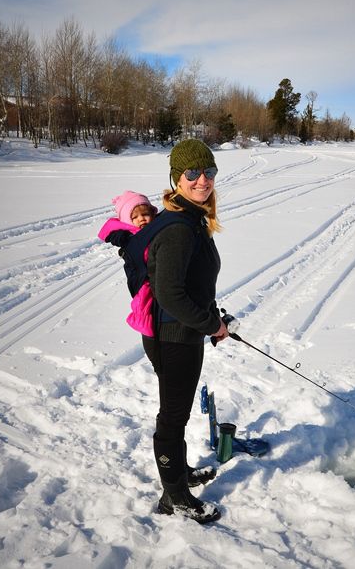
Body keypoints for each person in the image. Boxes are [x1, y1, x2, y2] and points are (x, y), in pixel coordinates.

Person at [142, 139, 228, 524]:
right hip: (174, 335)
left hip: (184, 332)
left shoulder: (192, 217)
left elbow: (190, 284)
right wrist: (211, 323)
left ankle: (178, 475)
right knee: (173, 416)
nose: (202, 180)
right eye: (192, 173)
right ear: (176, 178)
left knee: (177, 410)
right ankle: (173, 496)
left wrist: (212, 314)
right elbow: (170, 294)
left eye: (208, 172)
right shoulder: (178, 228)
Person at [98, 191, 158, 336]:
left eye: (145, 214)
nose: (141, 219)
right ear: (127, 221)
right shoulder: (129, 235)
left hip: (151, 272)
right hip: (140, 276)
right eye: (135, 217)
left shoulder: (154, 229)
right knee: (143, 296)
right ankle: (141, 321)